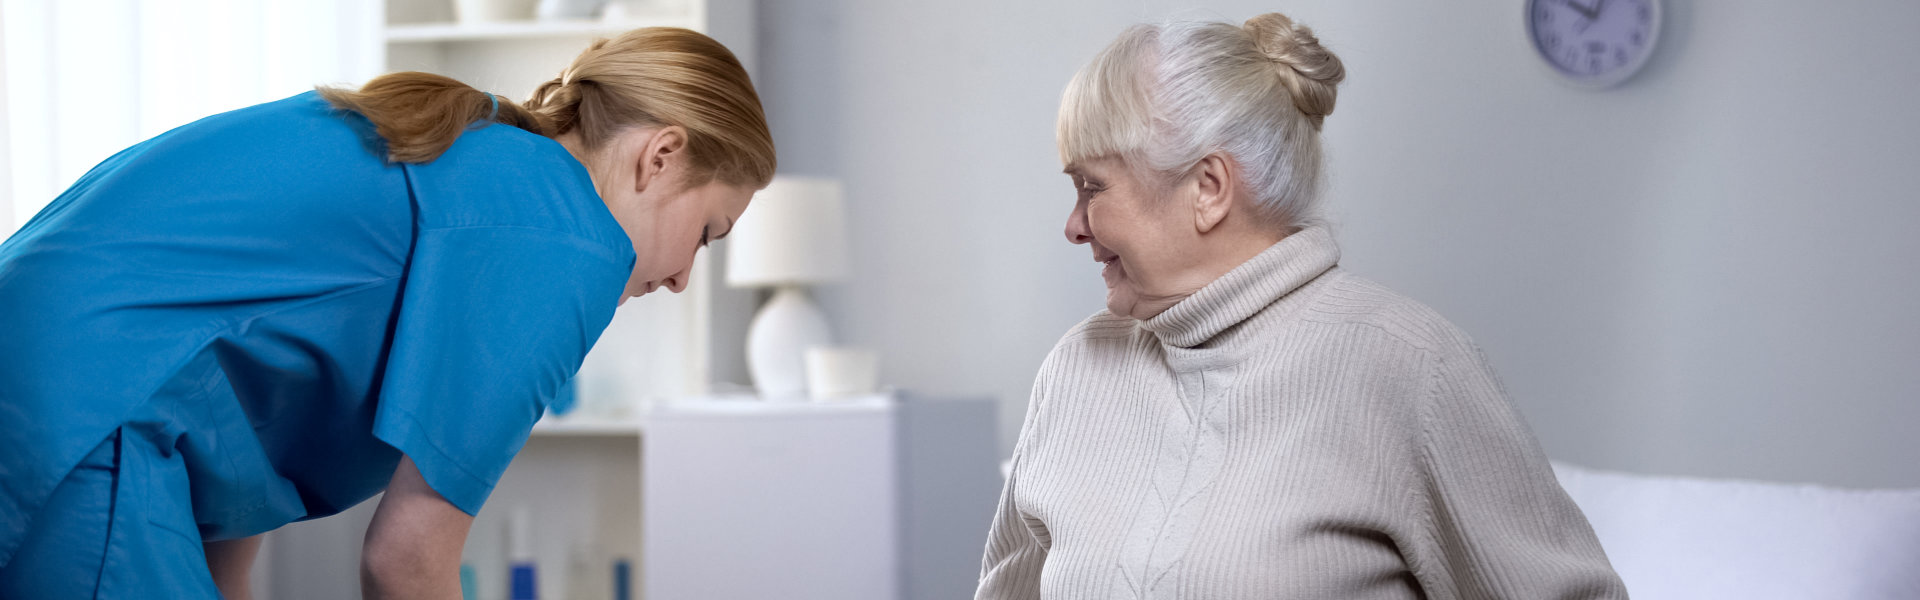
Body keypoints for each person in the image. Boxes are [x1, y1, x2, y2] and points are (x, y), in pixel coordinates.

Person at [0, 27, 773, 600]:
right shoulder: (565, 232)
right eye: (707, 233)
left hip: (66, 388)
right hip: (84, 413)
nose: (681, 279)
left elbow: (243, 440)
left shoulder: (483, 158)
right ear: (662, 154)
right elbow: (407, 559)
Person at [976, 13, 1628, 600]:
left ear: (1208, 188)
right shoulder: (1077, 368)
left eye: (1093, 187)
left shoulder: (1409, 365)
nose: (1074, 225)